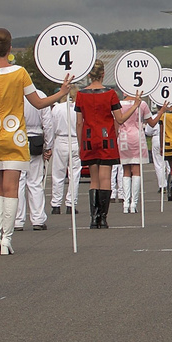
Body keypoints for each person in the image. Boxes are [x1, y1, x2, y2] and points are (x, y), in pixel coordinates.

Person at [0, 29, 65, 253]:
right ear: (10, 49)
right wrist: (61, 92)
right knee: (12, 188)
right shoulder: (20, 73)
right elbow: (39, 103)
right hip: (15, 135)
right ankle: (6, 240)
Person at [73, 61, 122, 229]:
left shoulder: (80, 95)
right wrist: (135, 105)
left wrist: (80, 143)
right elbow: (120, 119)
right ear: (103, 74)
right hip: (106, 136)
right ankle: (103, 216)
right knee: (105, 178)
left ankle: (94, 218)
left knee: (94, 179)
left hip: (88, 137)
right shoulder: (110, 94)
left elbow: (79, 123)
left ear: (88, 75)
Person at [14, 85, 66, 232]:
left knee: (19, 182)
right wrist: (48, 146)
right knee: (35, 181)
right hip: (36, 138)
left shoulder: (15, 93)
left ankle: (18, 220)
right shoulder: (40, 94)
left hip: (18, 138)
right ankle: (38, 219)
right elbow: (47, 123)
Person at [114, 86, 152, 214]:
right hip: (137, 137)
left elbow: (116, 124)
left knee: (125, 170)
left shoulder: (118, 104)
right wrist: (162, 111)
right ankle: (134, 204)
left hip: (123, 138)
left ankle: (125, 204)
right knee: (136, 170)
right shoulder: (142, 104)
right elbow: (151, 123)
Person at [48, 85, 79, 219]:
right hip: (76, 139)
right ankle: (71, 203)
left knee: (58, 173)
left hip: (60, 139)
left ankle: (56, 204)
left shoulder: (57, 108)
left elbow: (51, 126)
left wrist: (49, 143)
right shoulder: (78, 108)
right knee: (75, 173)